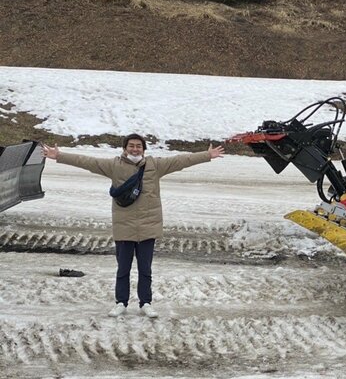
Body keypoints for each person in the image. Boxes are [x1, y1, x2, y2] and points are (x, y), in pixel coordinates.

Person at [42, 134, 225, 318]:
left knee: (145, 269)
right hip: (124, 226)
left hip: (148, 227)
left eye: (138, 146)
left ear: (143, 149)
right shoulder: (114, 166)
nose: (135, 149)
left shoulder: (155, 165)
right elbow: (87, 161)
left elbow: (182, 160)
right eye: (131, 146)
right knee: (123, 268)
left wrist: (207, 155)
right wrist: (59, 155)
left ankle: (145, 303)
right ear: (125, 148)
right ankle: (121, 302)